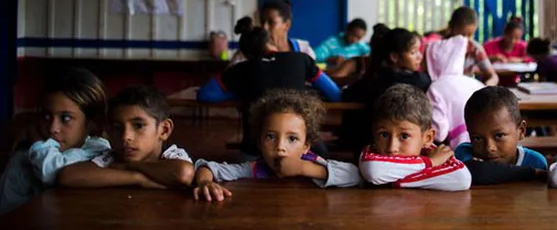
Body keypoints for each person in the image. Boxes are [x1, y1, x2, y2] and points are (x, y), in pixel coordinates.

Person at [196, 27, 341, 156]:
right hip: (301, 147)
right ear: (271, 41)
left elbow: (205, 95)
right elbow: (335, 94)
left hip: (256, 150)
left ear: (246, 54)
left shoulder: (242, 69)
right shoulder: (301, 60)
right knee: (321, 153)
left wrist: (244, 91)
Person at [193, 89, 361, 201]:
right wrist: (204, 183)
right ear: (259, 142)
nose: (280, 147)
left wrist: (304, 168)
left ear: (306, 145)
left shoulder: (314, 166)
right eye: (271, 136)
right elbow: (207, 167)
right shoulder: (253, 169)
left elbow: (355, 175)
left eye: (292, 139)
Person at [0, 68, 110, 214]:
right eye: (46, 116)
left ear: (92, 122)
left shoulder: (98, 149)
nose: (53, 128)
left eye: (66, 118)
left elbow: (53, 172)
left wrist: (38, 142)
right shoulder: (23, 159)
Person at [56, 86, 194, 189]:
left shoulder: (171, 155)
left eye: (138, 125)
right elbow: (68, 176)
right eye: (116, 128)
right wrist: (137, 178)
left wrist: (129, 165)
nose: (125, 137)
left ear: (164, 130)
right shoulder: (114, 156)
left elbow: (184, 174)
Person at [358, 84, 471, 191]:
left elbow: (462, 178)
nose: (392, 148)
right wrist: (430, 162)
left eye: (404, 136)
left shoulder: (432, 151)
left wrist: (392, 180)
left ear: (427, 138)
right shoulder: (371, 152)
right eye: (384, 134)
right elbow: (374, 171)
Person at [339, 28, 431, 153]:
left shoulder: (371, 77)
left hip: (361, 145)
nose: (419, 57)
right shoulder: (419, 81)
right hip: (393, 148)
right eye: (413, 52)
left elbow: (347, 95)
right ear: (394, 57)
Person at [455, 87, 547, 185]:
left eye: (499, 136)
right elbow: (479, 172)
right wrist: (532, 173)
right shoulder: (464, 152)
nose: (489, 148)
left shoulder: (535, 161)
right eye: (477, 138)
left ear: (521, 131)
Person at [425, 35, 484, 149]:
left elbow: (439, 133)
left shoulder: (435, 88)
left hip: (462, 151)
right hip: (489, 146)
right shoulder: (475, 83)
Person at [428, 7, 499, 86]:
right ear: (451, 28)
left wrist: (486, 85)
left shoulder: (475, 49)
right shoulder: (438, 48)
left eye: (470, 35)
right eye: (462, 35)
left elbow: (493, 76)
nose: (466, 40)